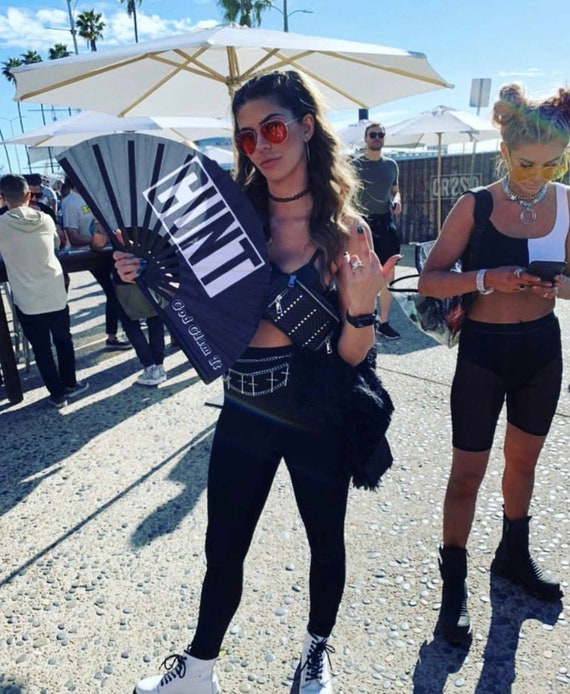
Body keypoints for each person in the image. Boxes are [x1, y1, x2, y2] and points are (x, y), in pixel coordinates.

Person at [116, 70, 397, 694]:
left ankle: (316, 653)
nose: (260, 146)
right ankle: (198, 673)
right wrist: (143, 272)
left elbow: (354, 355)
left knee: (325, 540)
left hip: (316, 402)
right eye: (246, 137)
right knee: (223, 546)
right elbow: (185, 309)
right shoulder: (224, 221)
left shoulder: (347, 232)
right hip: (244, 402)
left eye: (272, 129)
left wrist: (359, 309)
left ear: (306, 126)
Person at [418, 83, 570, 646]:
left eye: (553, 164)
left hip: (541, 350)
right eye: (527, 164)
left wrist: (555, 286)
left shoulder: (567, 202)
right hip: (483, 352)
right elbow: (429, 280)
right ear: (504, 153)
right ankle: (453, 587)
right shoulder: (475, 204)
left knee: (523, 465)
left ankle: (513, 558)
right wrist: (487, 279)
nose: (538, 176)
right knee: (467, 473)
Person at [0, 174, 88, 408]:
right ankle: (70, 383)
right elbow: (57, 243)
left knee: (41, 348)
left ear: (2, 198)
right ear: (29, 195)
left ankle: (57, 395)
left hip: (27, 297)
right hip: (54, 289)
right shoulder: (46, 219)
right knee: (63, 339)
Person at [61, 176, 131, 351]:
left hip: (110, 251)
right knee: (113, 292)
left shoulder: (96, 195)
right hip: (92, 255)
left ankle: (115, 334)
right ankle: (116, 335)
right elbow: (73, 237)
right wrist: (96, 241)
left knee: (117, 291)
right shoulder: (70, 202)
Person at [91, 223, 167, 386]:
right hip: (153, 268)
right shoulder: (143, 214)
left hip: (126, 271)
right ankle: (158, 365)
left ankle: (151, 367)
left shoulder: (111, 217)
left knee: (130, 321)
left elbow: (98, 244)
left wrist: (99, 224)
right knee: (155, 317)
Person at [352, 123, 402, 339]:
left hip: (385, 223)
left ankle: (384, 322)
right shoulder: (354, 165)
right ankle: (364, 319)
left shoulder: (391, 165)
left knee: (388, 274)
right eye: (373, 134)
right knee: (362, 274)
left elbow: (395, 191)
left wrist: (397, 200)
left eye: (381, 134)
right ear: (365, 138)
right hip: (362, 225)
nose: (377, 138)